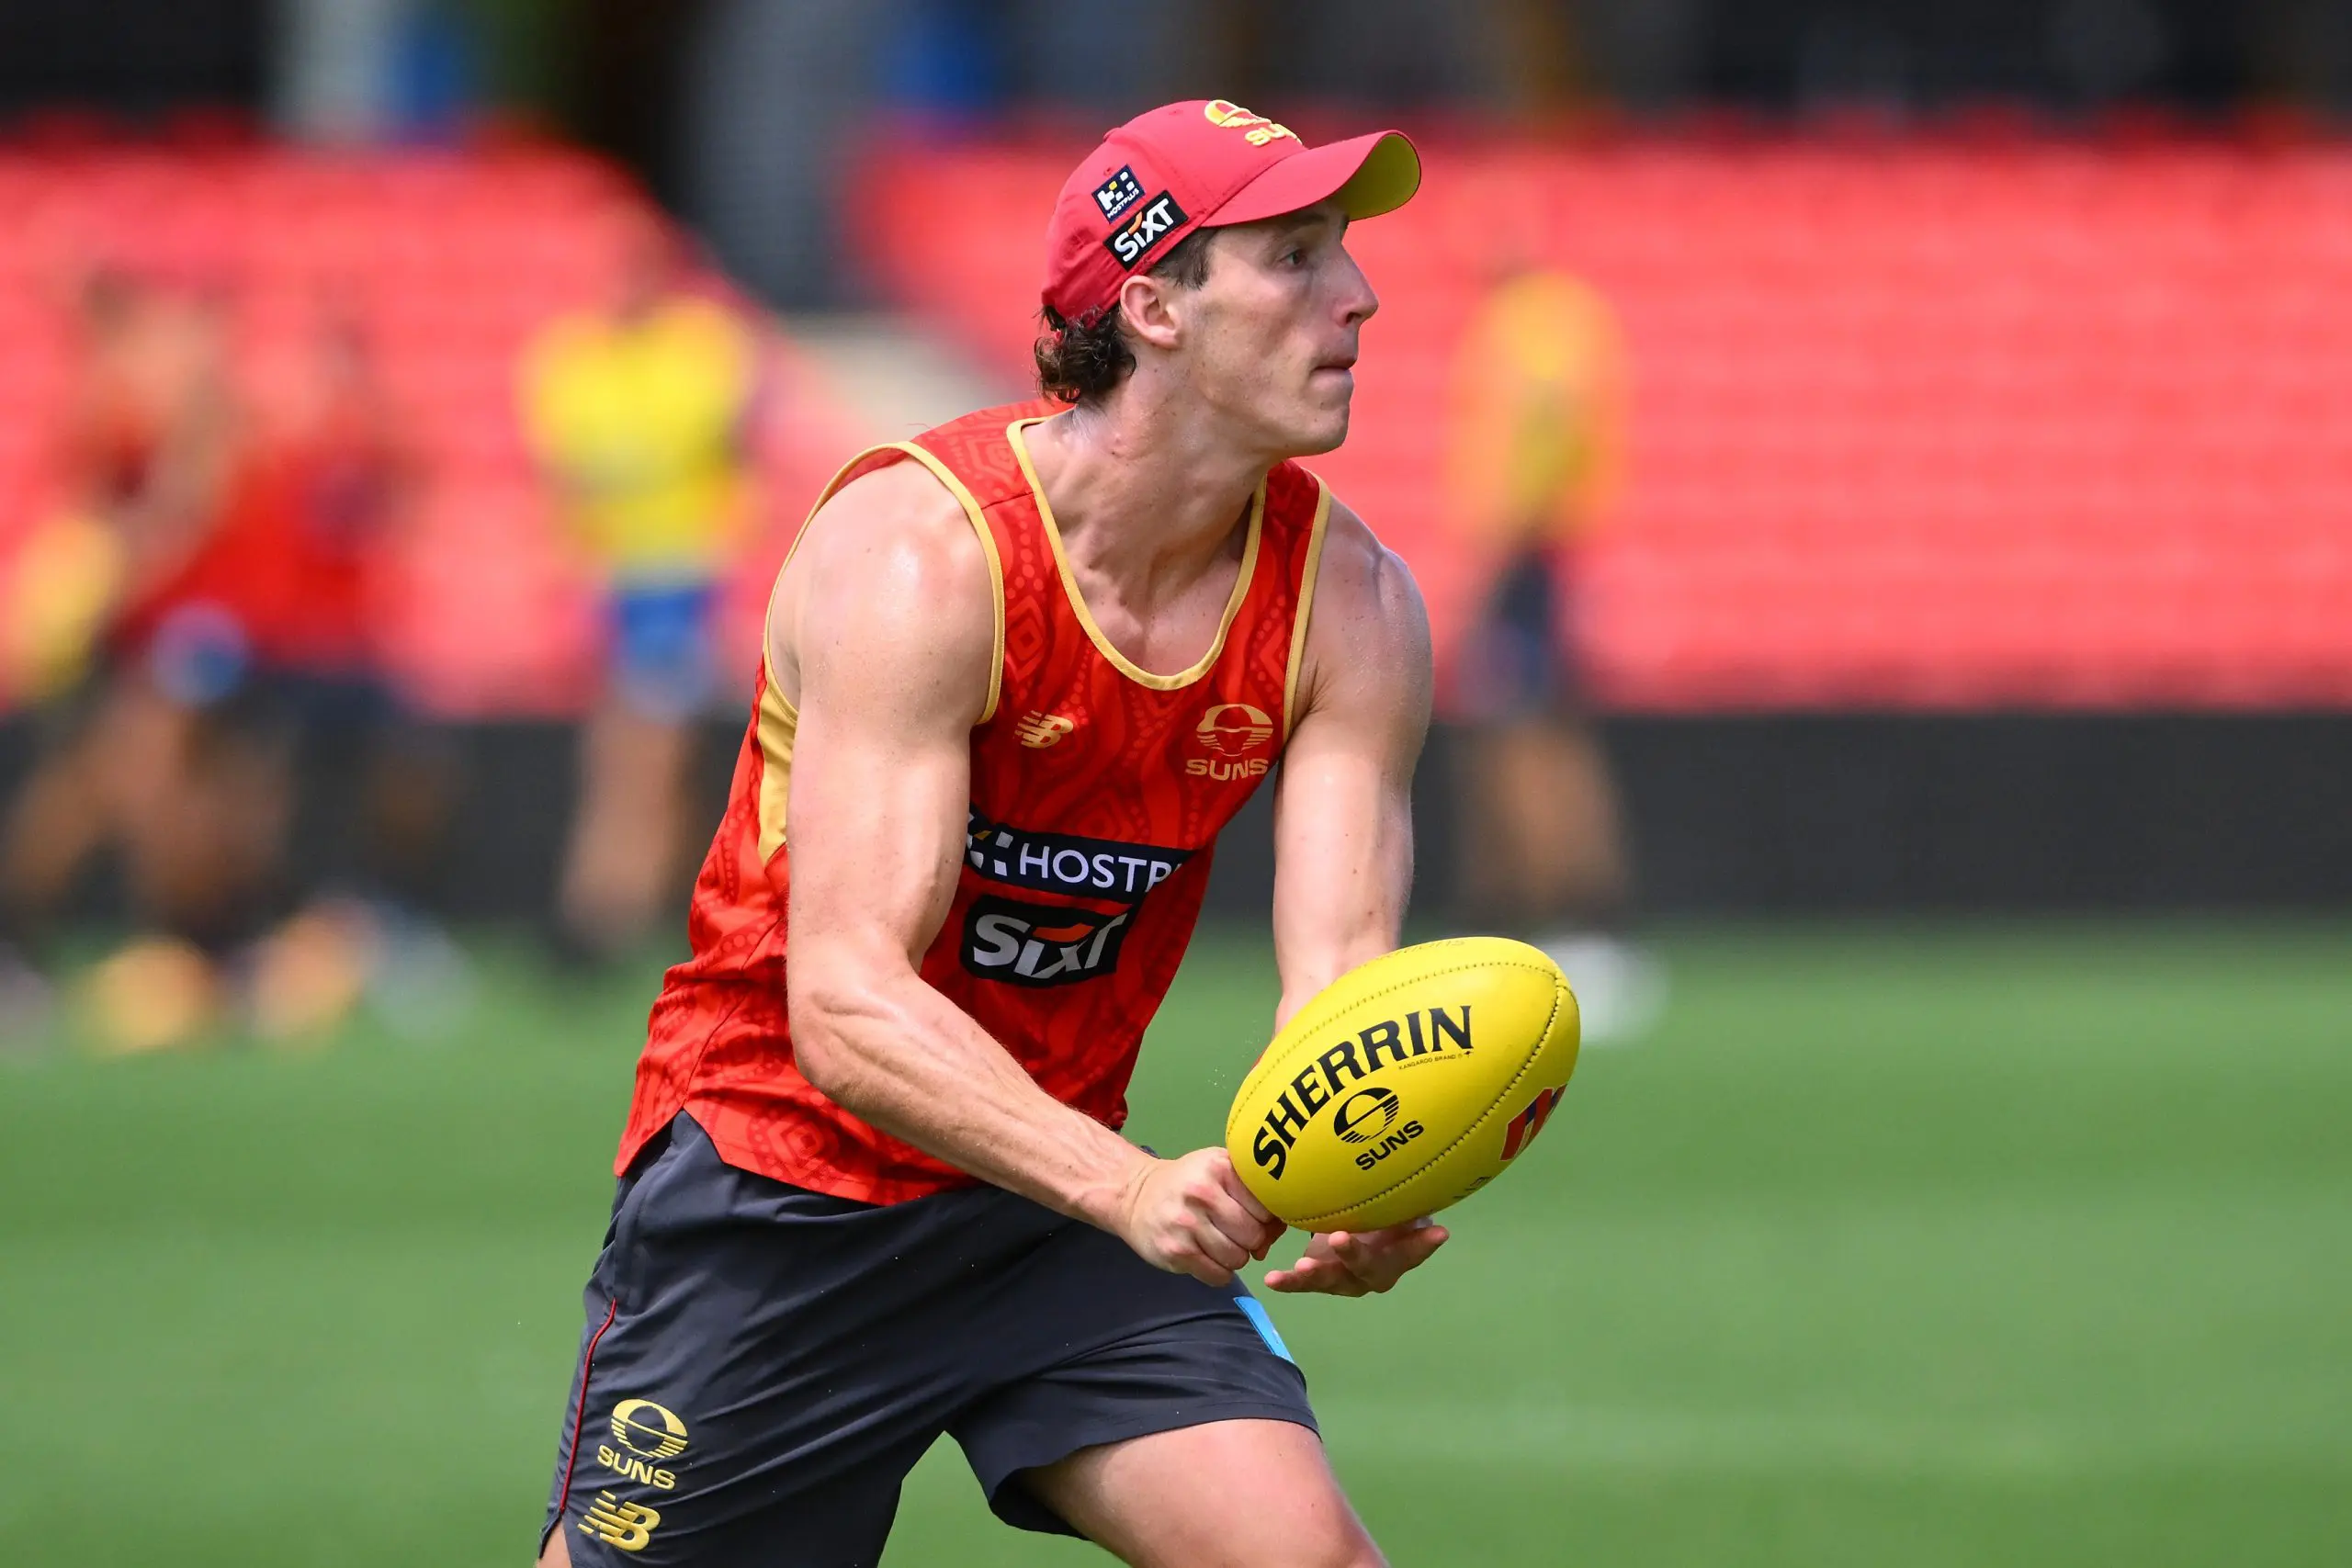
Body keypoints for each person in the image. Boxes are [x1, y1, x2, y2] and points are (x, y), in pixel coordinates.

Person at [538, 100, 1436, 1566]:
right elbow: (846, 1001)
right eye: (1294, 257)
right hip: (787, 1190)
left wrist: (1368, 1168)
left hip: (1052, 1211)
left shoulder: (1357, 603)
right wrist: (1128, 1184)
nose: (1358, 294)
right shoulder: (924, 557)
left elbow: (1339, 978)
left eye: (1342, 253)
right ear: (1153, 305)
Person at [519, 213, 760, 964]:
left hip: (677, 577)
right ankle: (640, 903)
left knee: (647, 754)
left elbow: (636, 453)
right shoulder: (578, 358)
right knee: (633, 753)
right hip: (613, 583)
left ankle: (605, 909)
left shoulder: (700, 350)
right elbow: (579, 460)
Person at [1443, 265, 1661, 1043]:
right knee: (1525, 745)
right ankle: (1559, 932)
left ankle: (1579, 931)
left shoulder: (1534, 327)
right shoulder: (1552, 318)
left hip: (1529, 560)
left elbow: (1547, 421)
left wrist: (1505, 553)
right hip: (1536, 559)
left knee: (1531, 750)